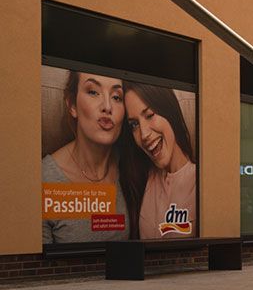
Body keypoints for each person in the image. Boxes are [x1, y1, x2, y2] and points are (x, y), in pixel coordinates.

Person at [42, 71, 129, 244]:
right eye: (93, 92)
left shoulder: (130, 167)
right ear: (72, 105)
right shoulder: (43, 179)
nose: (107, 106)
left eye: (116, 97)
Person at [120, 82, 197, 240]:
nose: (144, 134)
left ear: (169, 112)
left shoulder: (202, 182)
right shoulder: (139, 178)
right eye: (134, 124)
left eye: (149, 115)